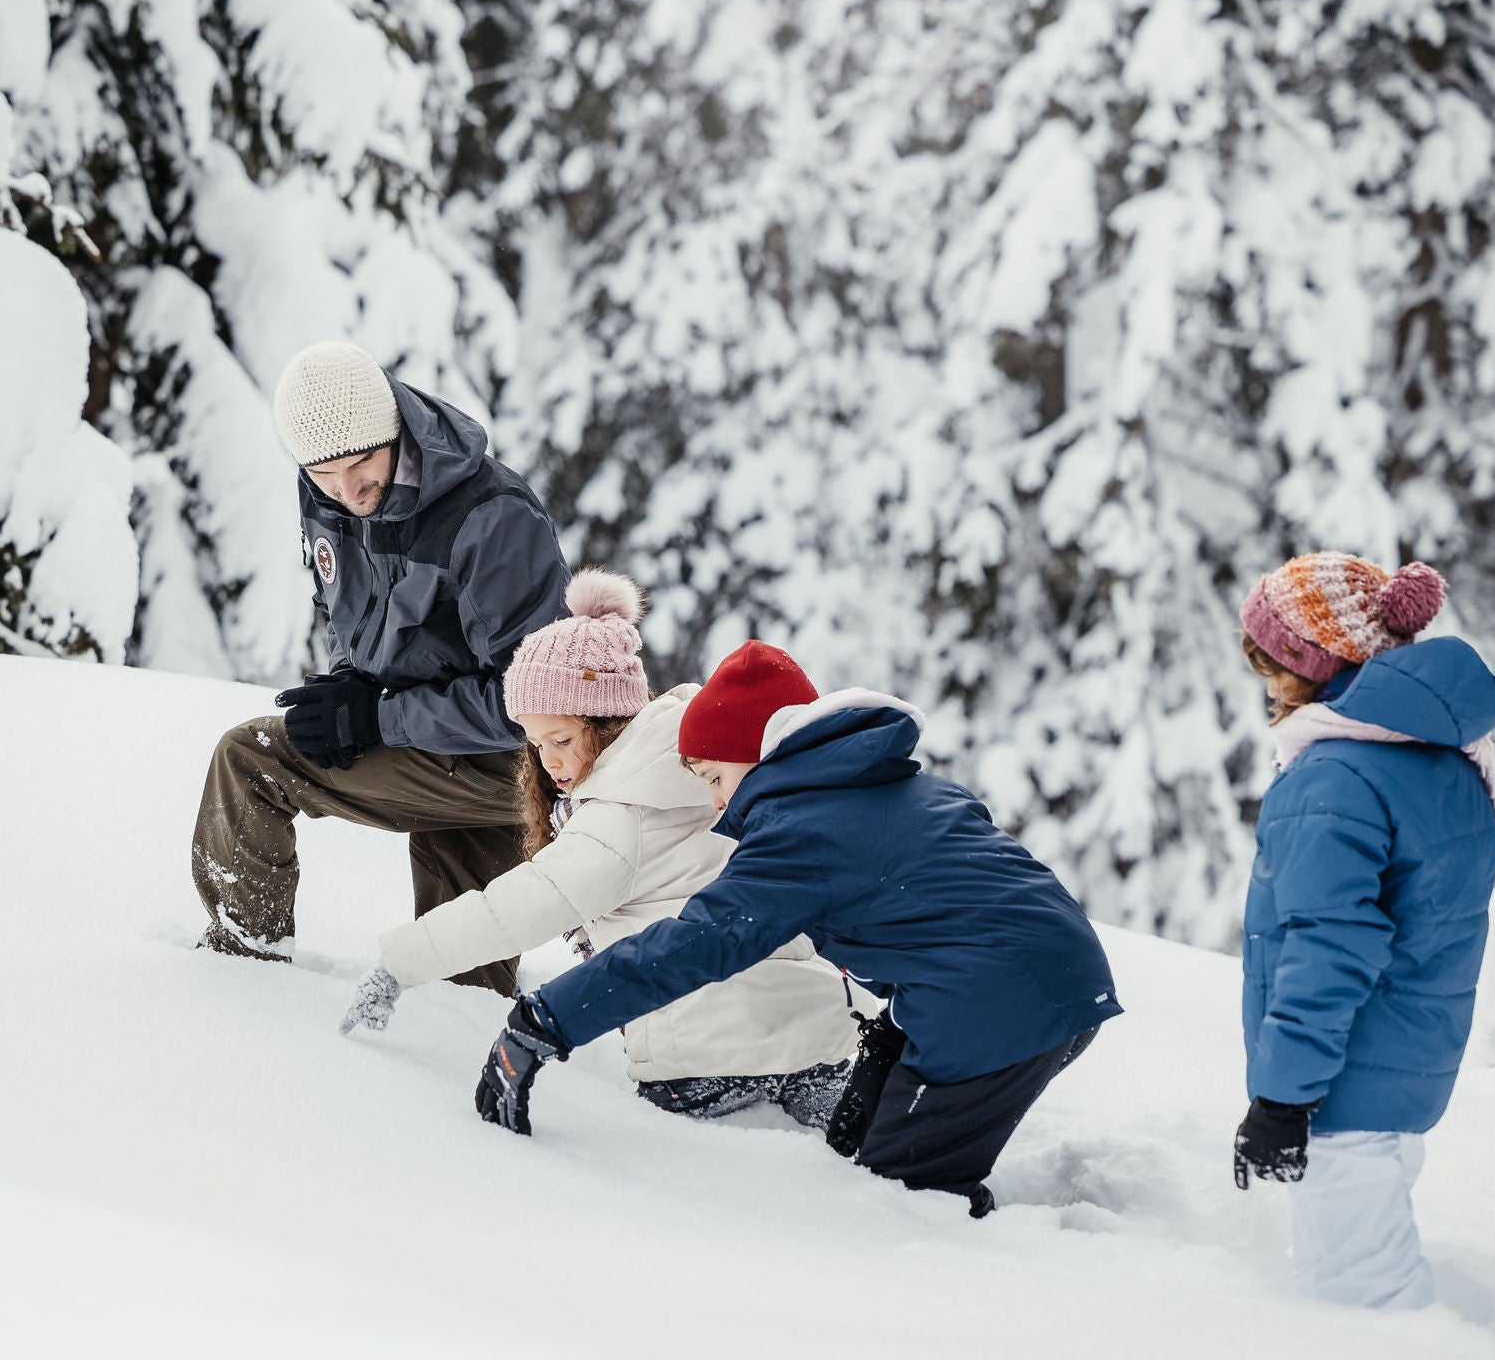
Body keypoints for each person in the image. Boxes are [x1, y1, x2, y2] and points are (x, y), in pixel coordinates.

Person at [470, 641, 1122, 1217]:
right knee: (863, 1122)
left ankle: (992, 1283)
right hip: (1060, 978)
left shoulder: (798, 835)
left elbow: (687, 949)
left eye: (717, 779)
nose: (719, 805)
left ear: (755, 754)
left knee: (903, 1199)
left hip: (997, 1003)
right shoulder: (881, 785)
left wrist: (544, 1022)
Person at [340, 571, 858, 1125]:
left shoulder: (621, 814)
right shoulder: (708, 770)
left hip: (704, 1057)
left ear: (610, 722)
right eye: (536, 745)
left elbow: (514, 911)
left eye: (561, 740)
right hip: (820, 1040)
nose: (550, 763)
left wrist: (400, 962)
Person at [190, 341, 569, 994]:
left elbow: (536, 705)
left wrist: (377, 717)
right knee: (464, 991)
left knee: (251, 760)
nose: (348, 489)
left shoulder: (489, 517)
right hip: (440, 745)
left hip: (518, 765)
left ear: (397, 431)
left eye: (363, 462)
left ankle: (239, 984)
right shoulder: (328, 494)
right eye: (325, 472)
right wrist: (352, 679)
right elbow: (347, 607)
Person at [1230, 552, 1495, 1308]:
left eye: (1273, 667)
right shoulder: (1452, 764)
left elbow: (1326, 948)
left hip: (1342, 1089)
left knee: (1362, 1307)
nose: (1267, 690)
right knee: (1362, 1285)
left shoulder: (1335, 779)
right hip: (1401, 1071)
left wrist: (1283, 1100)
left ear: (1317, 667)